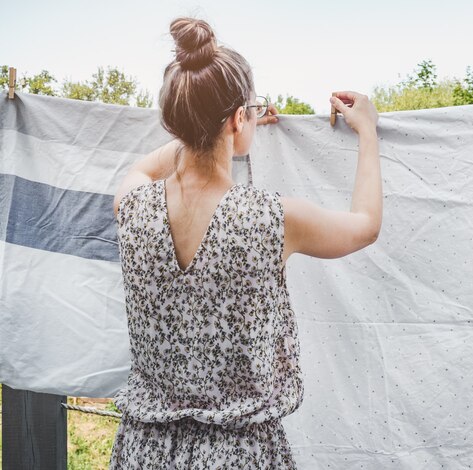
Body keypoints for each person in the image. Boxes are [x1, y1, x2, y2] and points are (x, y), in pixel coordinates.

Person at [109, 15, 381, 470]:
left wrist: (211, 133)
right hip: (239, 455)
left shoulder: (130, 207)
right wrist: (368, 131)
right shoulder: (274, 218)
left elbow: (143, 167)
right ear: (238, 119)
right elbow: (365, 224)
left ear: (176, 121)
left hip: (144, 449)